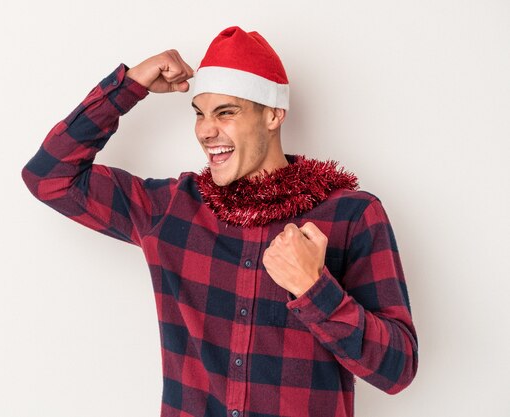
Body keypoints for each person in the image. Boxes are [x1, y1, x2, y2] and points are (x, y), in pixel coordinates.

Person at [22, 26, 418, 417]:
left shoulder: (351, 216)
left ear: (274, 115)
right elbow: (50, 177)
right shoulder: (171, 209)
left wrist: (313, 289)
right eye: (200, 114)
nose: (206, 131)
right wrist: (129, 86)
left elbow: (397, 371)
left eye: (226, 113)